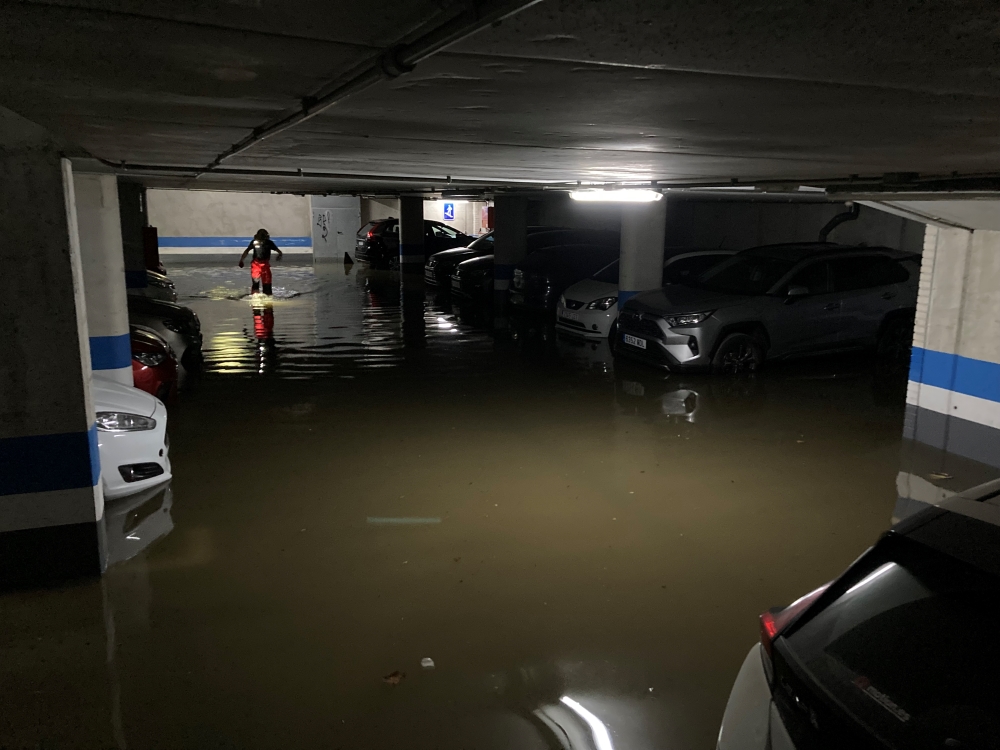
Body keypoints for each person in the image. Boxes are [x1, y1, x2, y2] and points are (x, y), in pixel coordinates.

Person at [238, 228, 283, 295]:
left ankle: (260, 294)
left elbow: (247, 251)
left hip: (263, 265)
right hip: (257, 265)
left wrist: (241, 260)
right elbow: (279, 252)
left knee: (264, 283)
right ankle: (260, 295)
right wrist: (241, 260)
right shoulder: (259, 242)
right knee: (261, 283)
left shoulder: (268, 243)